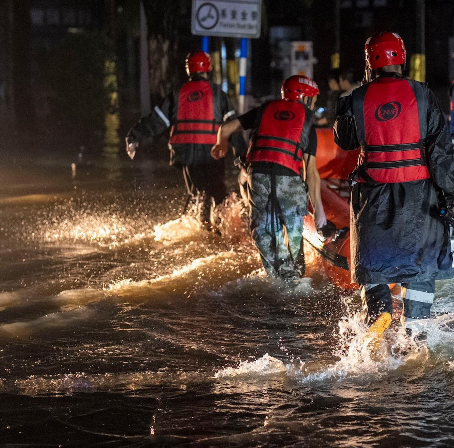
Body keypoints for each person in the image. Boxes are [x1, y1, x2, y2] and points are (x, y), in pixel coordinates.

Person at [333, 32, 454, 337]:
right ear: (402, 59)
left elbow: (345, 139)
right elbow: (440, 153)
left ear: (369, 62)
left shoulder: (357, 99)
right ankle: (416, 329)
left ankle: (379, 315)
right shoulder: (422, 94)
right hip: (420, 198)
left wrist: (348, 103)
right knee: (419, 269)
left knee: (374, 261)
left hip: (373, 195)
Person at [212, 75, 327, 282]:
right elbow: (311, 173)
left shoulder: (264, 109)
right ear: (305, 98)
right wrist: (319, 212)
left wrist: (220, 145)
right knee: (292, 230)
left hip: (257, 176)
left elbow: (226, 128)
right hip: (288, 179)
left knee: (264, 231)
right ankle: (296, 276)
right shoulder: (307, 120)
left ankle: (275, 278)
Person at [125, 51, 232, 229]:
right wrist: (244, 155)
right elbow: (233, 125)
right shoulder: (217, 93)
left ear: (188, 70)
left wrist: (134, 135)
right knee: (218, 193)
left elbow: (157, 121)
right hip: (212, 151)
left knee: (197, 193)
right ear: (209, 68)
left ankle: (200, 229)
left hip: (186, 153)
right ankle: (217, 233)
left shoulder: (178, 93)